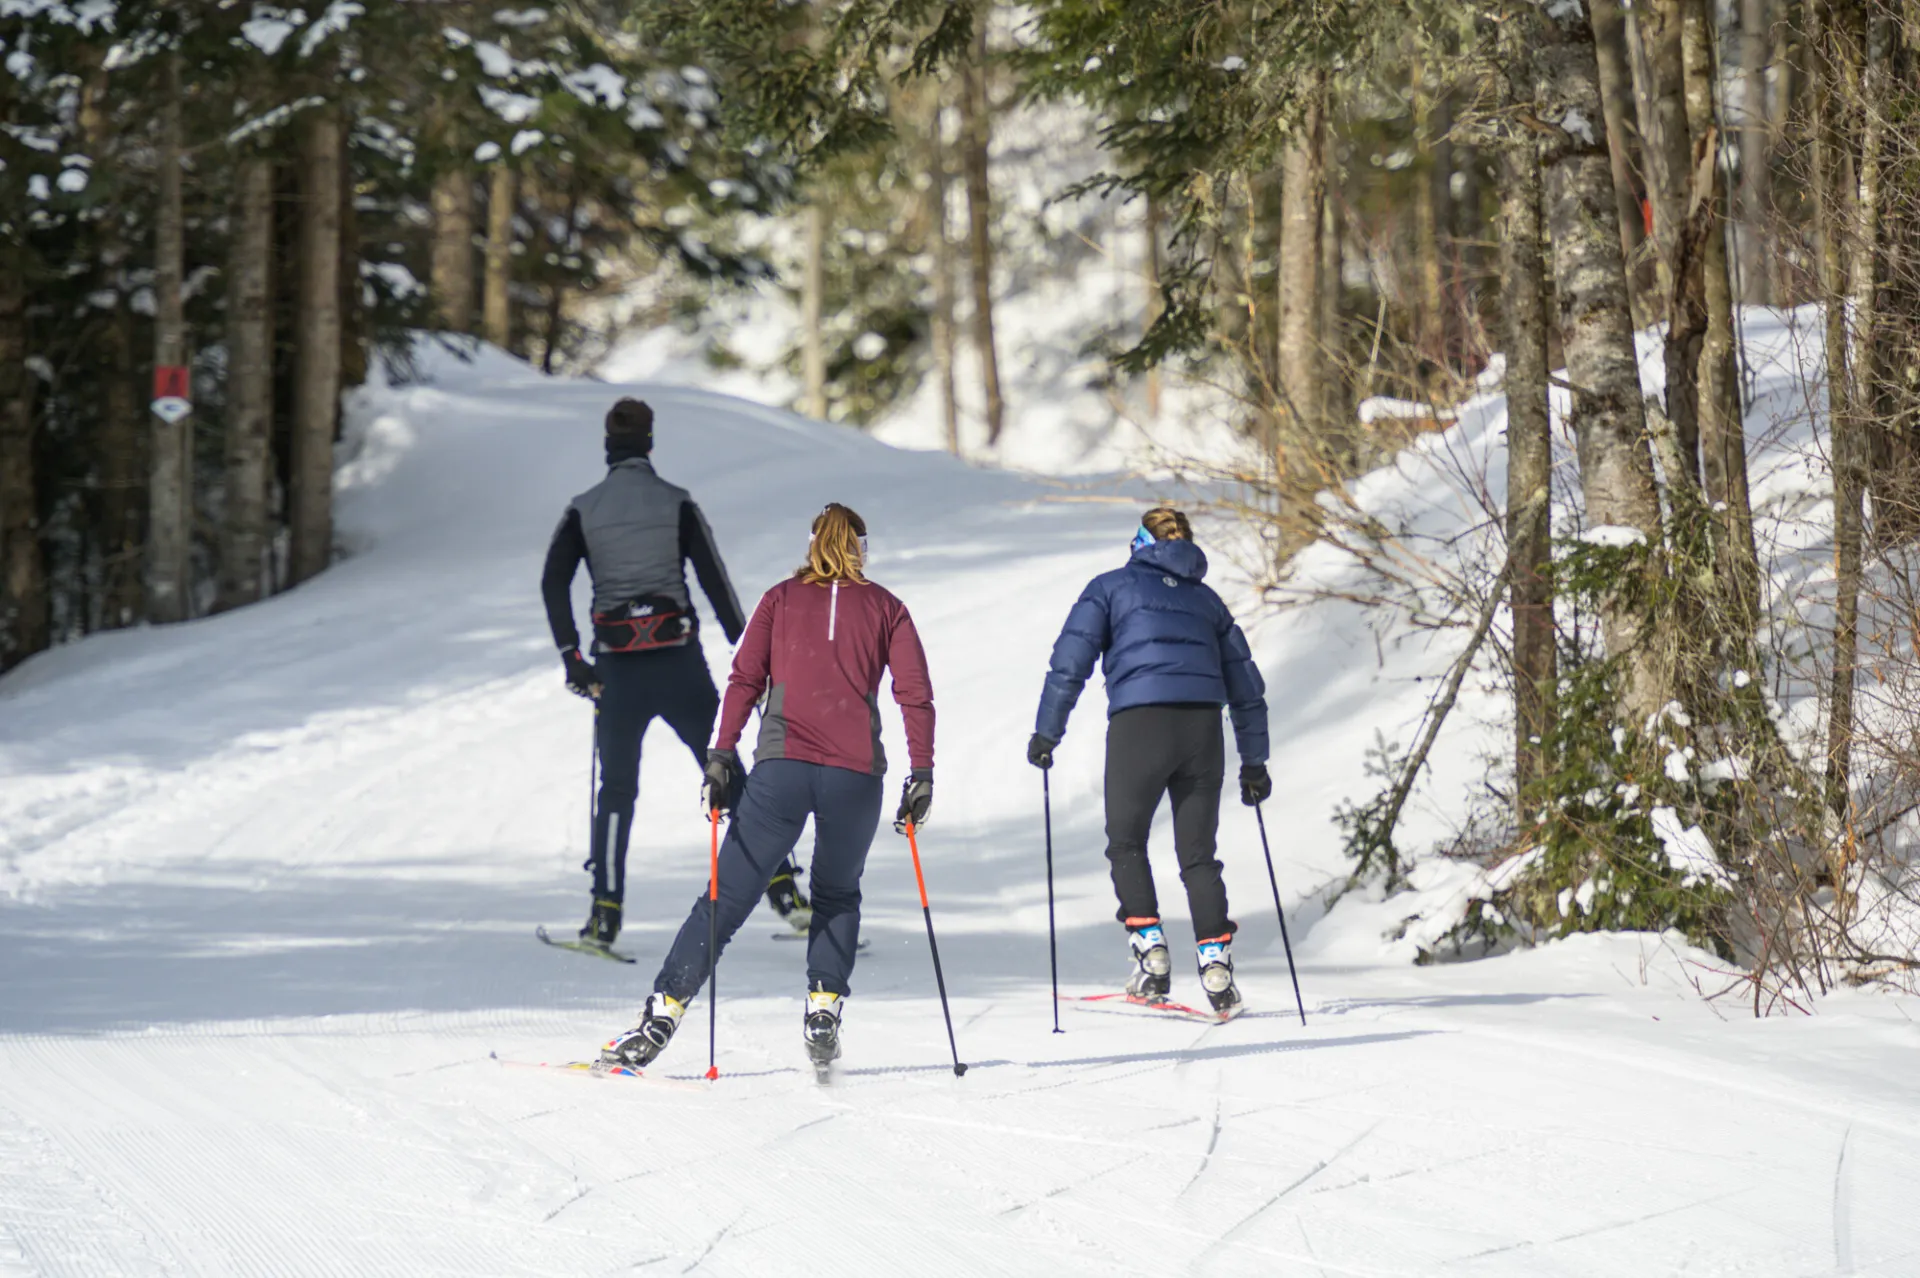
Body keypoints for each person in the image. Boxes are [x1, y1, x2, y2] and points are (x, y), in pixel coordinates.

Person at [600, 503, 935, 1070]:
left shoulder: (780, 599)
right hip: (856, 778)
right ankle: (824, 1006)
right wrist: (921, 774)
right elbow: (915, 694)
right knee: (836, 893)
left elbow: (744, 678)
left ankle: (663, 1013)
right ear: (862, 548)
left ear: (811, 545)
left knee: (725, 900)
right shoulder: (888, 608)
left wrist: (720, 754)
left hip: (782, 770)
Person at [541, 397, 812, 949]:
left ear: (607, 446)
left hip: (618, 672)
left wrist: (574, 658)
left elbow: (552, 582)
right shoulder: (676, 503)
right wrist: (754, 659)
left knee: (616, 791)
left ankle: (604, 918)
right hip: (680, 663)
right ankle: (788, 897)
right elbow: (716, 584)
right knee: (730, 775)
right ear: (650, 443)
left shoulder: (583, 509)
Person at [1026, 506, 1269, 1016]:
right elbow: (1246, 687)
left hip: (1141, 727)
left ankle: (1151, 955)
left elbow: (1070, 662)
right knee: (1198, 855)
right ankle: (1216, 968)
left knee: (1126, 841)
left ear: (1138, 543)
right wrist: (1254, 762)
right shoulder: (1207, 601)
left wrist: (1048, 732)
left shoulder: (1111, 587)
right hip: (1203, 730)